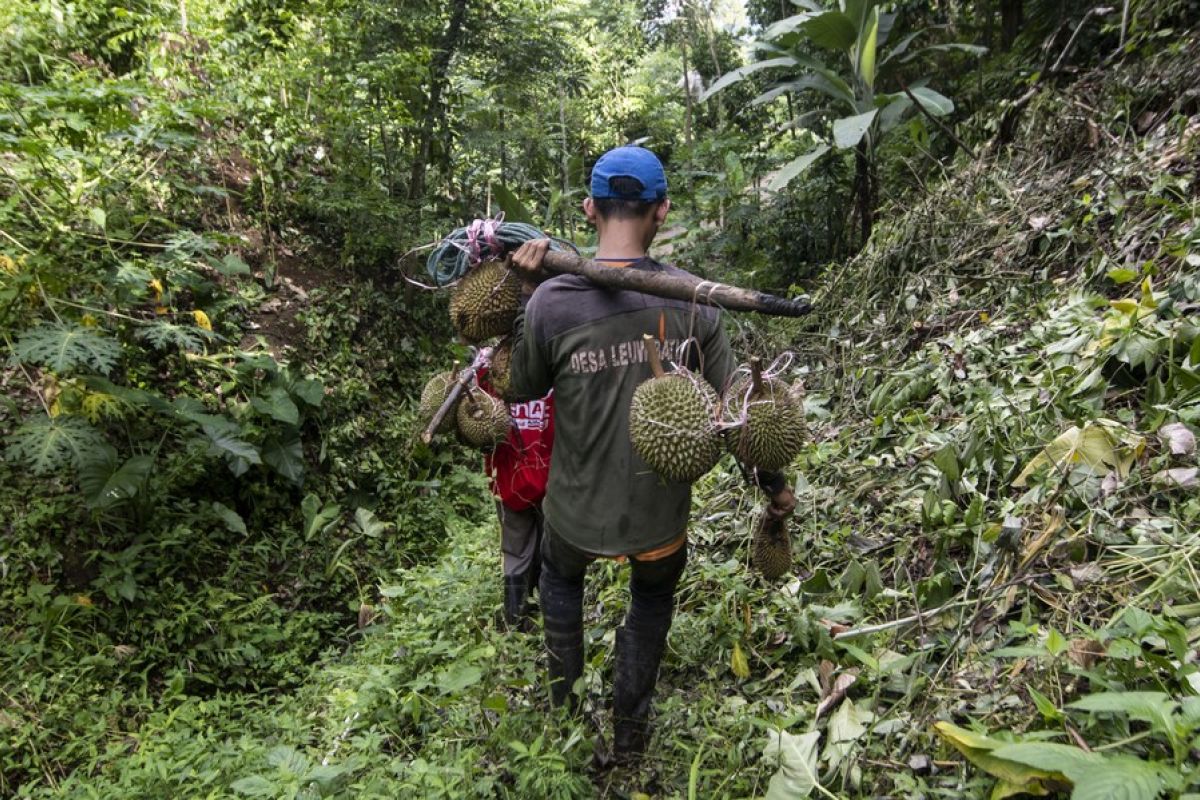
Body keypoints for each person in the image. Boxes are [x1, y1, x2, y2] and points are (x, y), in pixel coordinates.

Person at [506, 146, 797, 763]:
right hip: (658, 519)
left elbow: (523, 388)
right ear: (661, 211)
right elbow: (737, 419)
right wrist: (773, 486)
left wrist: (531, 294)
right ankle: (630, 733)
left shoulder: (550, 302)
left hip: (574, 514)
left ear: (589, 210)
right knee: (653, 596)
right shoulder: (694, 300)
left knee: (560, 581)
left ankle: (566, 716)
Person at [476, 365, 554, 630]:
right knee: (550, 549)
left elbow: (477, 420)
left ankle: (516, 623)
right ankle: (546, 619)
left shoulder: (490, 371)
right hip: (550, 475)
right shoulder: (555, 364)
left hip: (510, 477)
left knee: (516, 552)